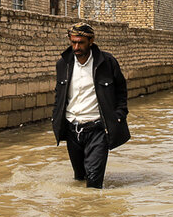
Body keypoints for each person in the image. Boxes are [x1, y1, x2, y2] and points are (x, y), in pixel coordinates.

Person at [52, 22, 129, 188]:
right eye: (73, 42)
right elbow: (59, 95)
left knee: (93, 182)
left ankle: (96, 211)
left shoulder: (107, 62)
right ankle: (79, 213)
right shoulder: (63, 64)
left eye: (81, 42)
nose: (76, 46)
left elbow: (121, 90)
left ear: (91, 41)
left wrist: (119, 115)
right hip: (73, 130)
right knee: (79, 178)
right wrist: (56, 120)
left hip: (98, 129)